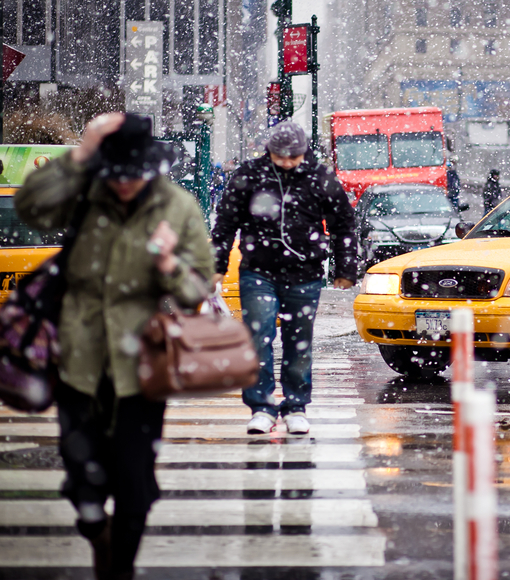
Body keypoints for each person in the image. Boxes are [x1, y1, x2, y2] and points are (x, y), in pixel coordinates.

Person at [15, 112, 214, 580]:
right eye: (115, 175)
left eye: (133, 176)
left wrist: (167, 264)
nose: (124, 185)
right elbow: (30, 207)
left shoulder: (178, 207)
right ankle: (95, 529)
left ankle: (118, 568)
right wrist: (81, 153)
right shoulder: (86, 191)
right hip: (77, 360)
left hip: (142, 367)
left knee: (134, 482)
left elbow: (198, 289)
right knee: (82, 479)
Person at [211, 121, 357, 435]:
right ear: (270, 152)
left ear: (304, 153)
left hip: (305, 274)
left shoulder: (319, 177)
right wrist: (217, 266)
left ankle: (296, 405)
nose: (288, 162)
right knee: (258, 338)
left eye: (294, 157)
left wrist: (345, 270)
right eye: (281, 156)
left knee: (298, 342)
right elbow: (225, 223)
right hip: (258, 271)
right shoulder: (249, 176)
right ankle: (261, 406)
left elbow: (344, 223)